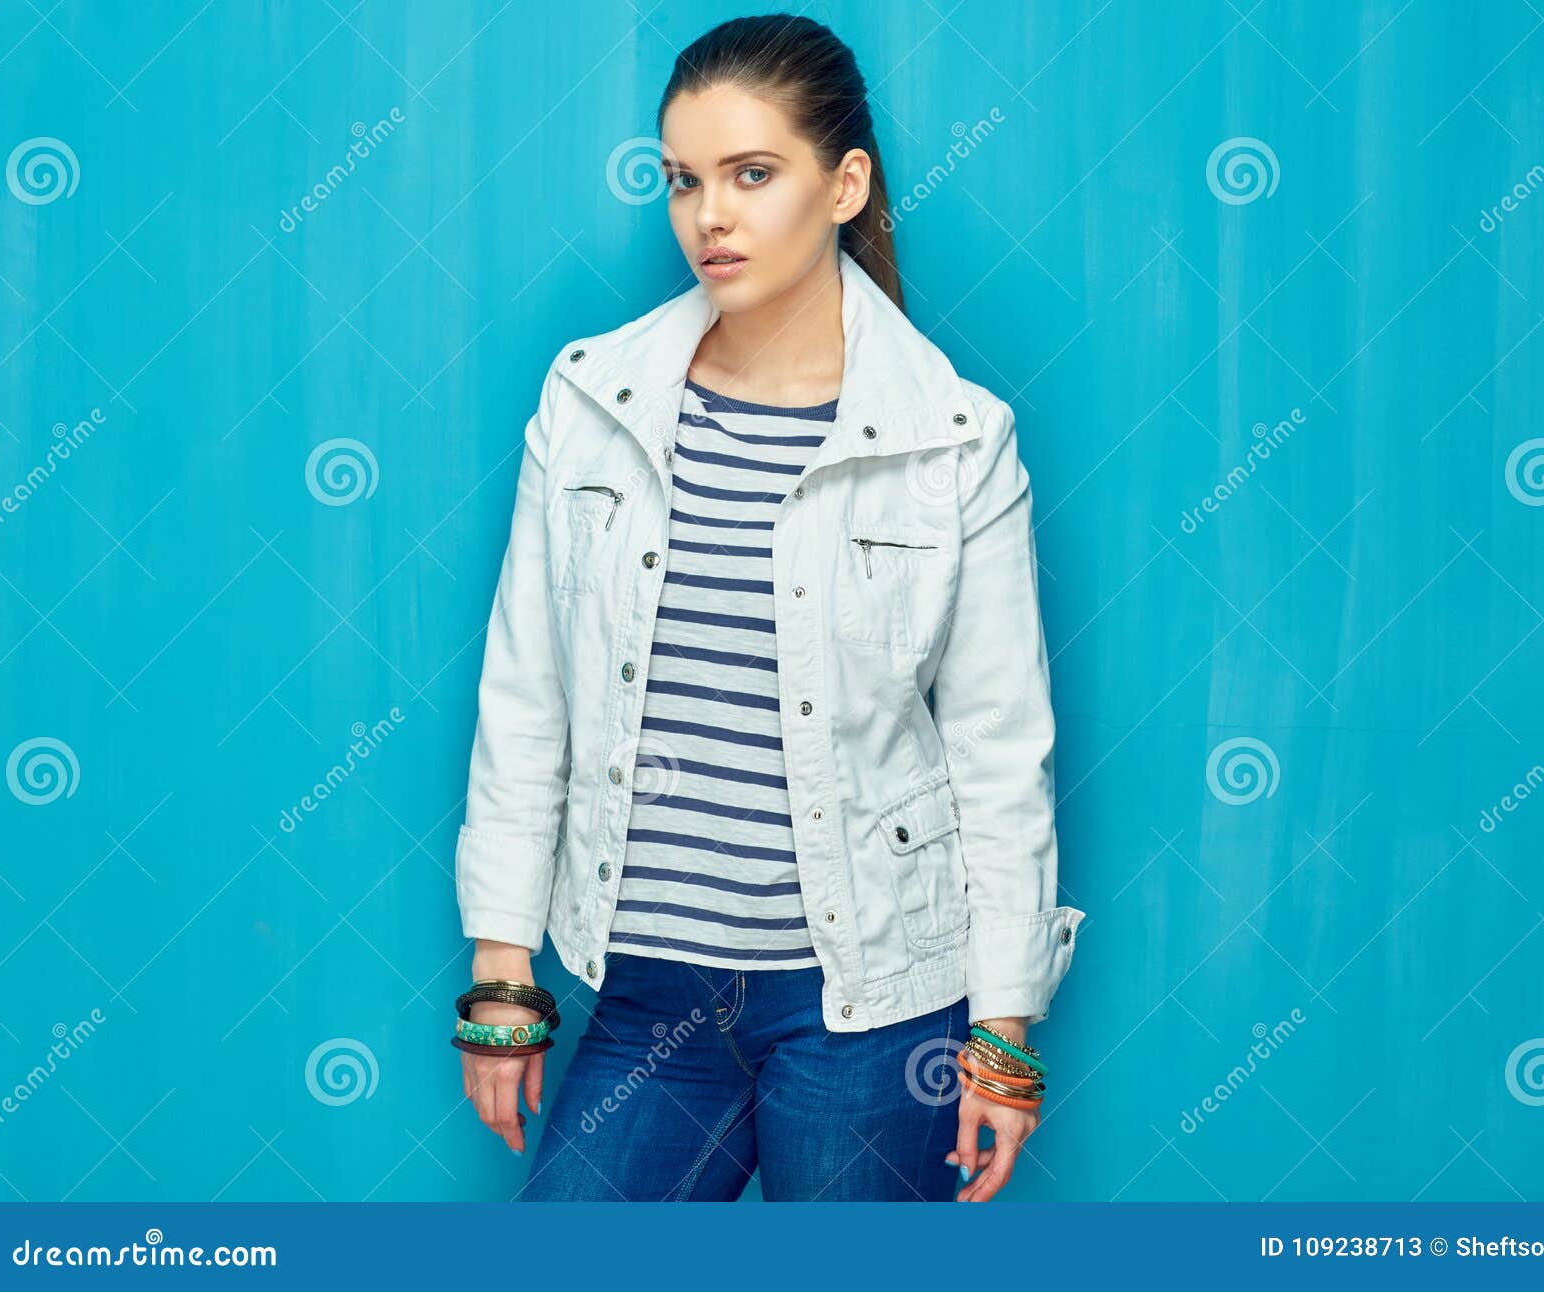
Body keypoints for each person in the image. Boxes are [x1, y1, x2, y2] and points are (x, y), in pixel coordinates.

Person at [453, 12, 1085, 1202]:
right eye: (683, 179)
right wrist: (503, 966)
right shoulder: (593, 400)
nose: (711, 215)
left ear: (844, 184)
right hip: (646, 990)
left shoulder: (954, 438)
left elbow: (1000, 750)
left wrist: (1002, 1029)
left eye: (753, 174)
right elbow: (525, 691)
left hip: (872, 1010)